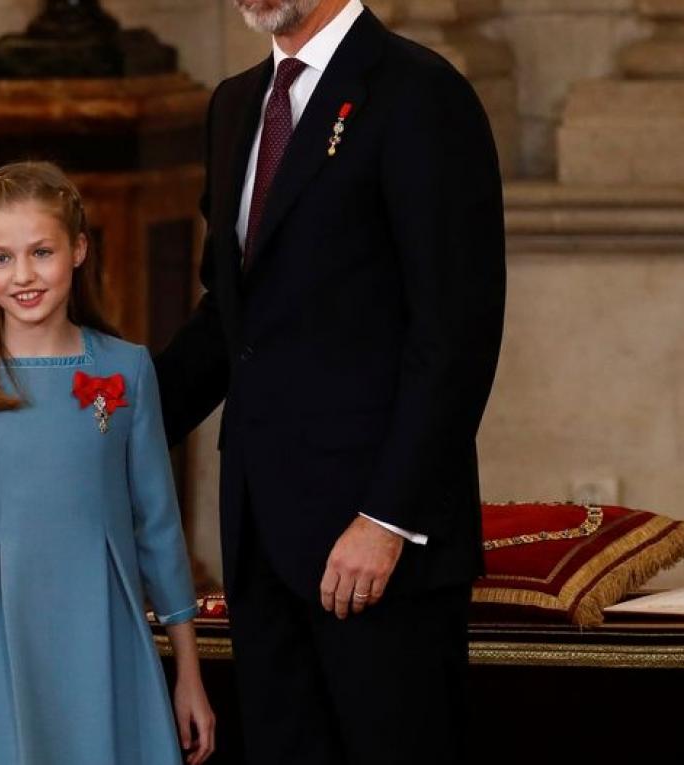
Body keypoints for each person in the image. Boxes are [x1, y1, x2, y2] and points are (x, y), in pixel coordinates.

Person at [153, 0, 506, 763]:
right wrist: (109, 415)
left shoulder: (421, 93)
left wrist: (388, 518)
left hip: (377, 546)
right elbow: (232, 317)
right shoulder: (234, 104)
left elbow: (455, 333)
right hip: (260, 536)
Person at [0, 161, 215, 765]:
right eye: (1, 258)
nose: (22, 275)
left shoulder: (127, 370)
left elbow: (158, 527)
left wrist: (189, 676)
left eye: (41, 252)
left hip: (105, 635)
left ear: (78, 249)